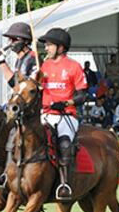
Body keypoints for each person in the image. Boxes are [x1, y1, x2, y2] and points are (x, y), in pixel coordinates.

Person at [36, 28, 87, 201]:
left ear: (61, 47)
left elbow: (82, 95)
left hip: (66, 115)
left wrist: (66, 103)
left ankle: (64, 184)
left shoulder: (74, 67)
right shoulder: (44, 65)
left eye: (50, 45)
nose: (46, 48)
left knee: (64, 145)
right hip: (45, 114)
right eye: (46, 45)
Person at [0, 22, 38, 88]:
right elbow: (15, 83)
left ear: (26, 41)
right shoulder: (20, 58)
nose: (11, 42)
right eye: (10, 39)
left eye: (14, 39)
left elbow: (20, 87)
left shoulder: (33, 59)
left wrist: (2, 62)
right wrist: (1, 62)